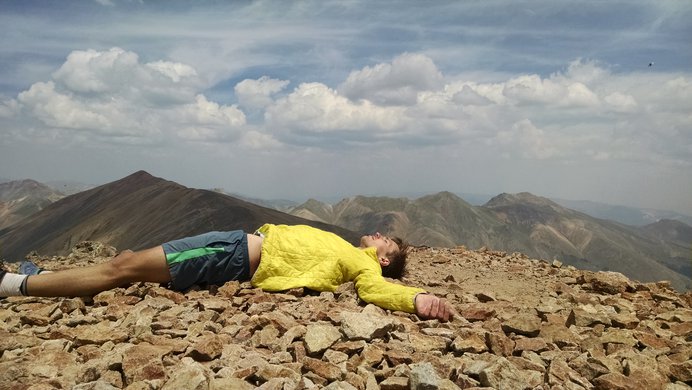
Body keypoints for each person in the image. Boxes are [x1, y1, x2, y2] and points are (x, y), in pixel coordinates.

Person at [0, 223, 454, 321]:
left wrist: (415, 298)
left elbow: (374, 290)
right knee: (132, 260)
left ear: (385, 259)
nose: (377, 235)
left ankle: (15, 286)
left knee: (124, 267)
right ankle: (40, 278)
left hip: (233, 253)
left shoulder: (363, 263)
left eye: (386, 242)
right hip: (233, 250)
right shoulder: (347, 248)